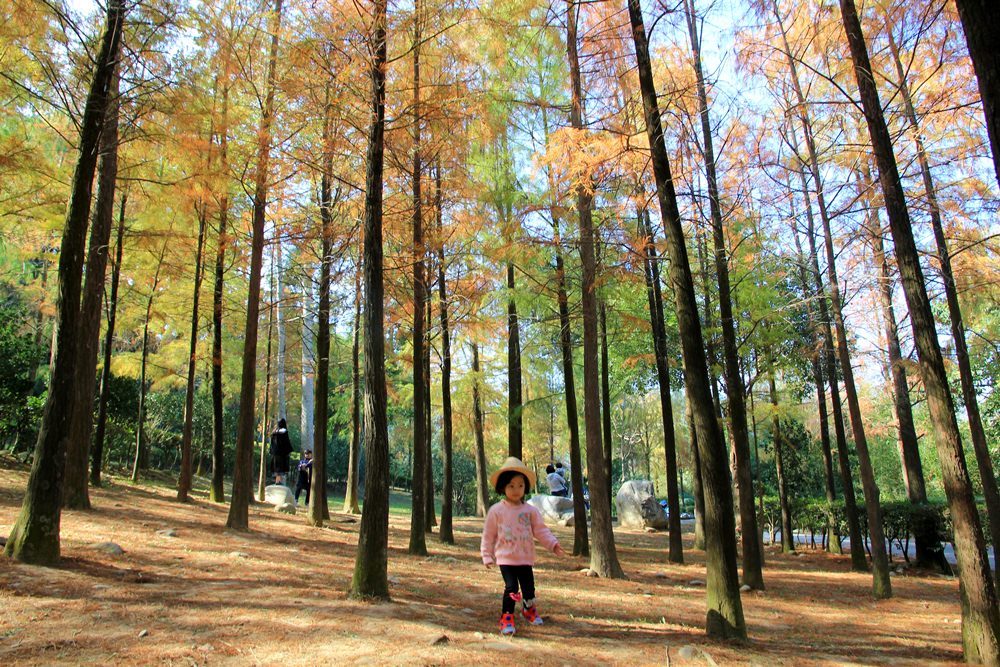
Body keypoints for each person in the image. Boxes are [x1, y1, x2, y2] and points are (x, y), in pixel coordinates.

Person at [482, 457, 566, 636]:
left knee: (529, 589)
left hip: (525, 559)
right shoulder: (496, 510)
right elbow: (488, 535)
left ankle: (528, 610)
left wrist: (553, 545)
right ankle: (507, 617)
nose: (516, 490)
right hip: (506, 558)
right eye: (511, 486)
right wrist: (486, 555)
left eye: (520, 485)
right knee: (511, 587)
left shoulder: (530, 511)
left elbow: (541, 531)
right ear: (503, 487)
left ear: (525, 487)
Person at [270, 418, 293, 485]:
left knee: (276, 467)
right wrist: (289, 450)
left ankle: (277, 481)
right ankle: (278, 481)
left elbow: (272, 443)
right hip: (281, 453)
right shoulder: (284, 432)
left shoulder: (274, 432)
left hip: (274, 453)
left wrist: (272, 451)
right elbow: (286, 442)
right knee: (280, 467)